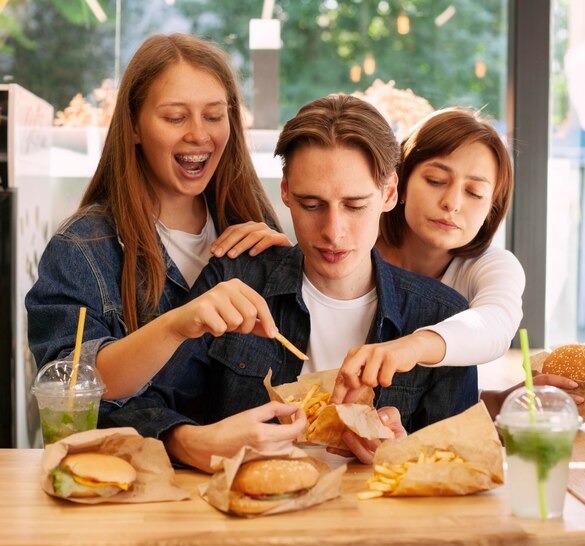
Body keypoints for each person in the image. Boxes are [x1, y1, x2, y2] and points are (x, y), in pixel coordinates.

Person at [101, 94, 477, 471]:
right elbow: (126, 407)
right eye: (311, 205)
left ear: (389, 193)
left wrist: (404, 455)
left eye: (355, 205)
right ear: (284, 192)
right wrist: (188, 441)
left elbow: (461, 470)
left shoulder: (442, 319)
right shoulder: (235, 281)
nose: (333, 232)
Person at [25, 33, 293, 431]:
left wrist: (290, 271)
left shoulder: (256, 234)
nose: (199, 135)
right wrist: (176, 324)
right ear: (134, 127)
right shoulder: (82, 248)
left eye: (214, 116)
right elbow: (72, 390)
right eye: (175, 117)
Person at [331, 107, 526, 402]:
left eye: (474, 192)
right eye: (436, 181)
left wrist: (413, 347)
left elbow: (495, 324)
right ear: (400, 186)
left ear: (491, 211)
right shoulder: (349, 248)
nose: (452, 203)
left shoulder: (491, 266)